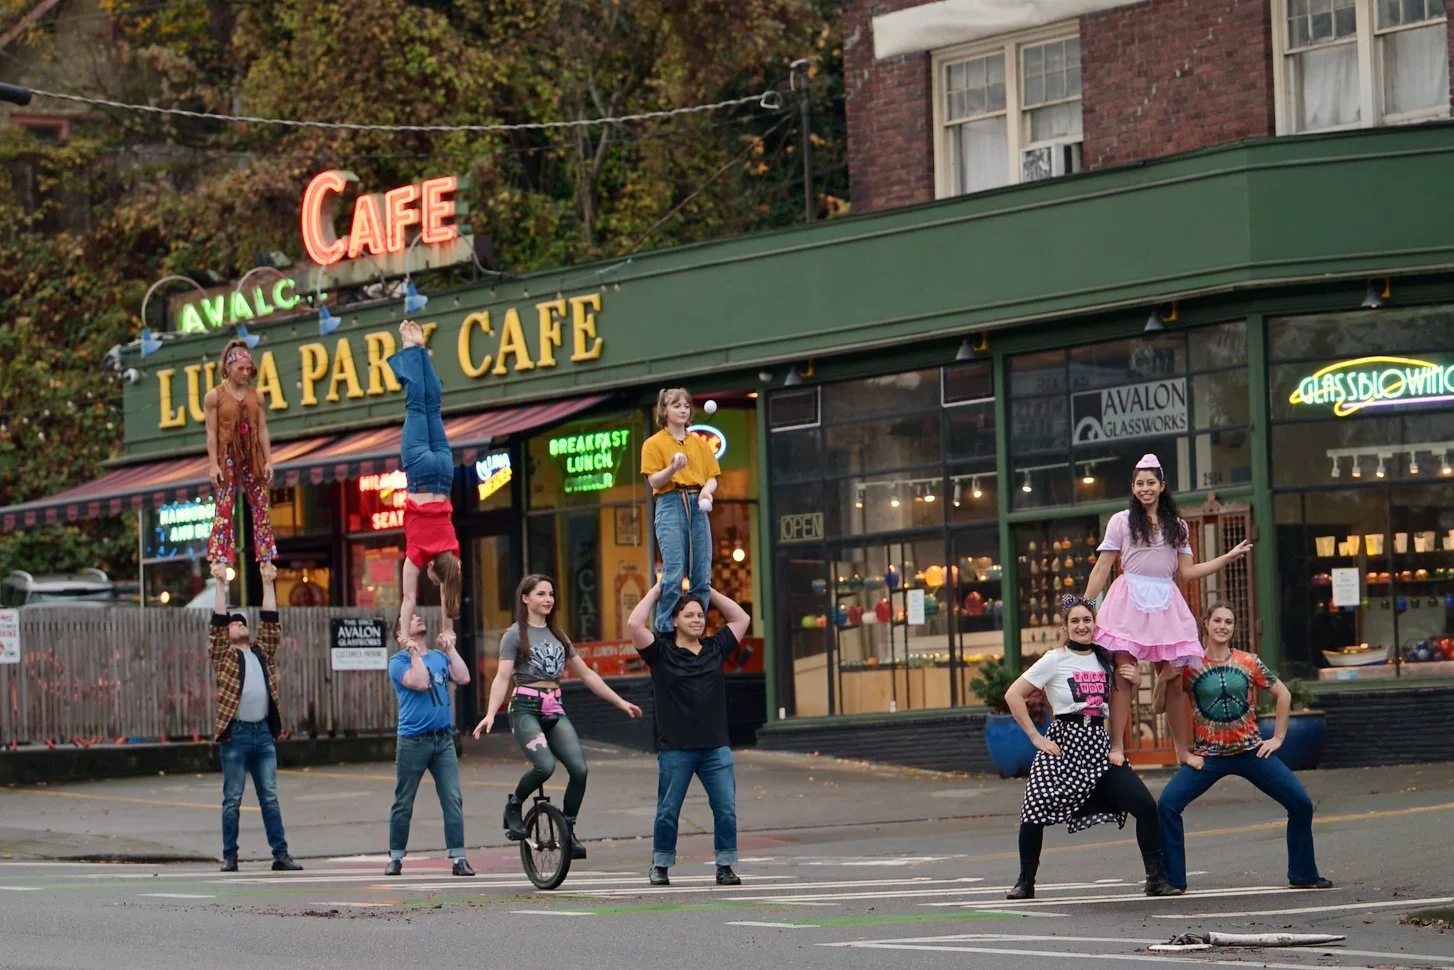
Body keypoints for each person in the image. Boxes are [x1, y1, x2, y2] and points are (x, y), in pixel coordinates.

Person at [1004, 595, 1180, 899]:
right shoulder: (1054, 659)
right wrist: (1036, 737)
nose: (1082, 626)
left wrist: (1134, 685)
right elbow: (1013, 695)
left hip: (1099, 747)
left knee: (1146, 806)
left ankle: (1155, 878)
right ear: (1065, 626)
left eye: (1087, 620)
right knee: (1033, 811)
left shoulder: (1106, 660)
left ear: (1095, 624)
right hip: (1062, 745)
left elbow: (1119, 704)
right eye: (1075, 621)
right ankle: (1025, 882)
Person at [1082, 454, 1252, 766]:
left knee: (1174, 679)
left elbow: (1187, 572)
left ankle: (1181, 750)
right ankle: (1117, 747)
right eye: (1139, 483)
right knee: (1124, 674)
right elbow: (1102, 568)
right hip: (1127, 599)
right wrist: (1084, 606)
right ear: (1133, 488)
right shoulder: (1120, 521)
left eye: (1151, 482)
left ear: (1162, 486)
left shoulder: (1179, 527)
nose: (1145, 488)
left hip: (1166, 602)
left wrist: (1225, 558)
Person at [1156, 604, 1333, 893]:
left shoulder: (1248, 661)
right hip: (1208, 756)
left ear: (1233, 628)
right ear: (1206, 624)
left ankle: (1304, 875)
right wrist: (1163, 679)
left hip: (1251, 752)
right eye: (1217, 621)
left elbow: (1283, 694)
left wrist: (1277, 738)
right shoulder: (1189, 665)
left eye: (1228, 621)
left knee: (1300, 803)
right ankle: (1174, 881)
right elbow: (1159, 706)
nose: (1223, 626)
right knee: (1167, 805)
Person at [474, 574, 642, 860]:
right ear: (525, 598)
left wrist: (620, 701)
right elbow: (502, 677)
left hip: (554, 708)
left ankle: (569, 829)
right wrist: (491, 713)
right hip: (525, 708)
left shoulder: (559, 636)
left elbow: (587, 674)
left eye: (551, 594)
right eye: (541, 594)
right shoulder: (514, 635)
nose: (548, 599)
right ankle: (514, 805)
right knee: (545, 766)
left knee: (579, 770)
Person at [627, 582, 750, 887]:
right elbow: (633, 623)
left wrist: (709, 591)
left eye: (700, 615)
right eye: (690, 615)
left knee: (725, 808)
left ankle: (725, 865)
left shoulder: (714, 648)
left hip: (715, 746)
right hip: (676, 748)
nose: (697, 620)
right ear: (674, 620)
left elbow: (741, 619)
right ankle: (661, 864)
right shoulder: (660, 651)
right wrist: (657, 590)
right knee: (668, 810)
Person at [207, 559, 301, 873]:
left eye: (242, 623)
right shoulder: (224, 656)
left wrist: (269, 581)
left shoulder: (261, 652)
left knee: (270, 798)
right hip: (236, 734)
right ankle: (229, 856)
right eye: (234, 624)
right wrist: (219, 584)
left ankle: (281, 855)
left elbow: (271, 621)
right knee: (232, 798)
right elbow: (216, 625)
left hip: (262, 733)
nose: (239, 625)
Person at [389, 319, 462, 649]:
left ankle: (419, 350)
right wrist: (403, 634)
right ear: (430, 571)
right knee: (416, 405)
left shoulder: (452, 551)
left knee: (432, 406)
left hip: (444, 473)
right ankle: (410, 349)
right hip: (419, 474)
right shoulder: (417, 555)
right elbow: (408, 600)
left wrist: (449, 629)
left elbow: (451, 590)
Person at [385, 610, 474, 877]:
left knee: (452, 798)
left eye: (418, 615)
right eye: (412, 618)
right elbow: (421, 682)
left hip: (443, 739)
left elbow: (464, 677)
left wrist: (451, 648)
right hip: (413, 741)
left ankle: (458, 858)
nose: (419, 617)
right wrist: (413, 652)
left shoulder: (438, 657)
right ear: (400, 634)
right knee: (404, 801)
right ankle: (396, 857)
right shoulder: (398, 662)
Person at [640, 388, 719, 634]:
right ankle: (664, 631)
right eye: (676, 406)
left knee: (701, 575)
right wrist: (673, 468)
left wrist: (707, 491)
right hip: (670, 502)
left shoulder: (699, 443)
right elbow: (654, 481)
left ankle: (695, 628)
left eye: (686, 406)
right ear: (664, 410)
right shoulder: (653, 444)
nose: (683, 410)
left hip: (698, 503)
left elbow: (713, 477)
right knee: (673, 573)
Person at [205, 338, 277, 566]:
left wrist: (268, 460)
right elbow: (212, 432)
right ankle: (219, 556)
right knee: (225, 505)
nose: (246, 373)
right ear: (228, 369)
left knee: (261, 505)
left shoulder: (256, 396)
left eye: (249, 369)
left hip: (252, 453)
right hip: (227, 454)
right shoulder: (215, 396)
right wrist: (214, 464)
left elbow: (263, 428)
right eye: (241, 369)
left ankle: (266, 556)